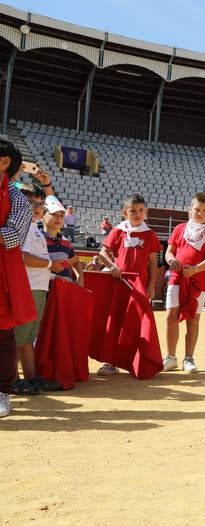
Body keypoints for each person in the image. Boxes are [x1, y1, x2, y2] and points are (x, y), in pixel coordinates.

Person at [96, 193, 162, 376]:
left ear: (146, 212)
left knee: (139, 323)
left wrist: (151, 285)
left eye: (141, 210)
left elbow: (153, 263)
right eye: (133, 211)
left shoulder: (150, 235)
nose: (137, 214)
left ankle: (137, 361)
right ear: (124, 212)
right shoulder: (117, 231)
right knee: (115, 321)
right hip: (119, 284)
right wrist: (112, 267)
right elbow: (102, 253)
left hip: (139, 287)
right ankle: (110, 361)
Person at [162, 192, 205, 374]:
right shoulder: (180, 228)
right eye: (197, 209)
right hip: (177, 278)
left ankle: (189, 358)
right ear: (190, 210)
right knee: (171, 316)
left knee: (194, 319)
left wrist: (195, 269)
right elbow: (169, 252)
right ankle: (170, 357)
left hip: (199, 281)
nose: (200, 213)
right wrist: (171, 260)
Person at [13, 184, 60, 395]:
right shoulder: (23, 227)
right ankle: (12, 379)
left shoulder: (34, 228)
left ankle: (30, 378)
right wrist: (50, 265)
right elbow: (22, 257)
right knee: (18, 336)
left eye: (40, 203)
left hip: (36, 287)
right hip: (27, 287)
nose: (38, 207)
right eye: (32, 202)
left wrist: (52, 272)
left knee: (28, 336)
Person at [0, 139, 35, 417]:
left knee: (2, 333)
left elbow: (13, 237)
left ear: (4, 163)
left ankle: (2, 392)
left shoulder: (17, 197)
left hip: (2, 272)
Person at [42, 196, 83, 287]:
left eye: (61, 215)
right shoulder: (38, 238)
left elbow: (75, 261)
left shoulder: (66, 242)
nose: (58, 218)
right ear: (42, 216)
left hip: (64, 289)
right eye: (54, 214)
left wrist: (80, 278)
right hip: (45, 288)